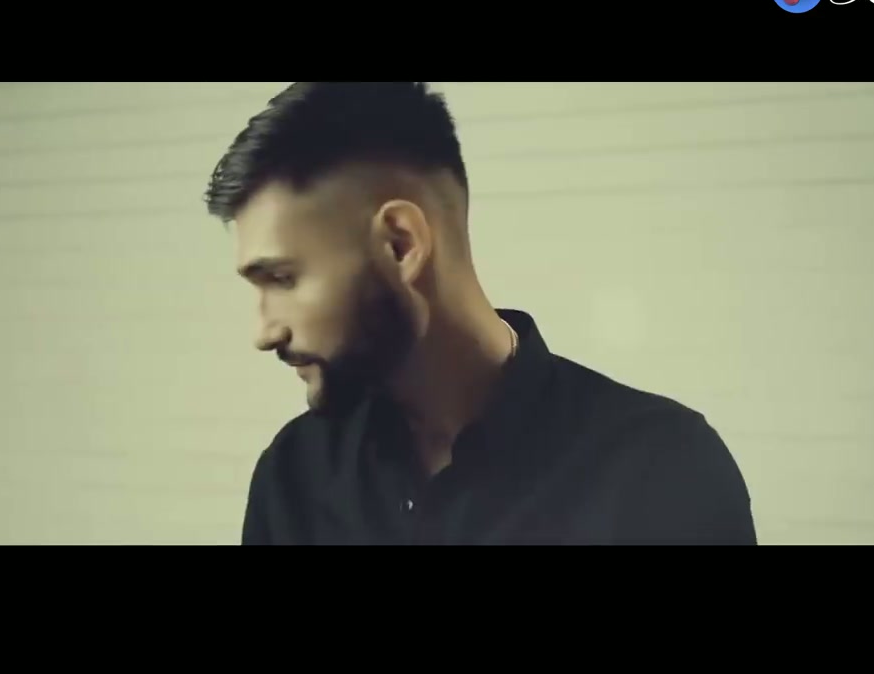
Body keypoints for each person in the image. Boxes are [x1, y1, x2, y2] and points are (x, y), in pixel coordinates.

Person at [202, 82, 756, 545]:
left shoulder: (665, 470)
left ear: (400, 245)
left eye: (282, 278)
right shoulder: (293, 476)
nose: (263, 332)